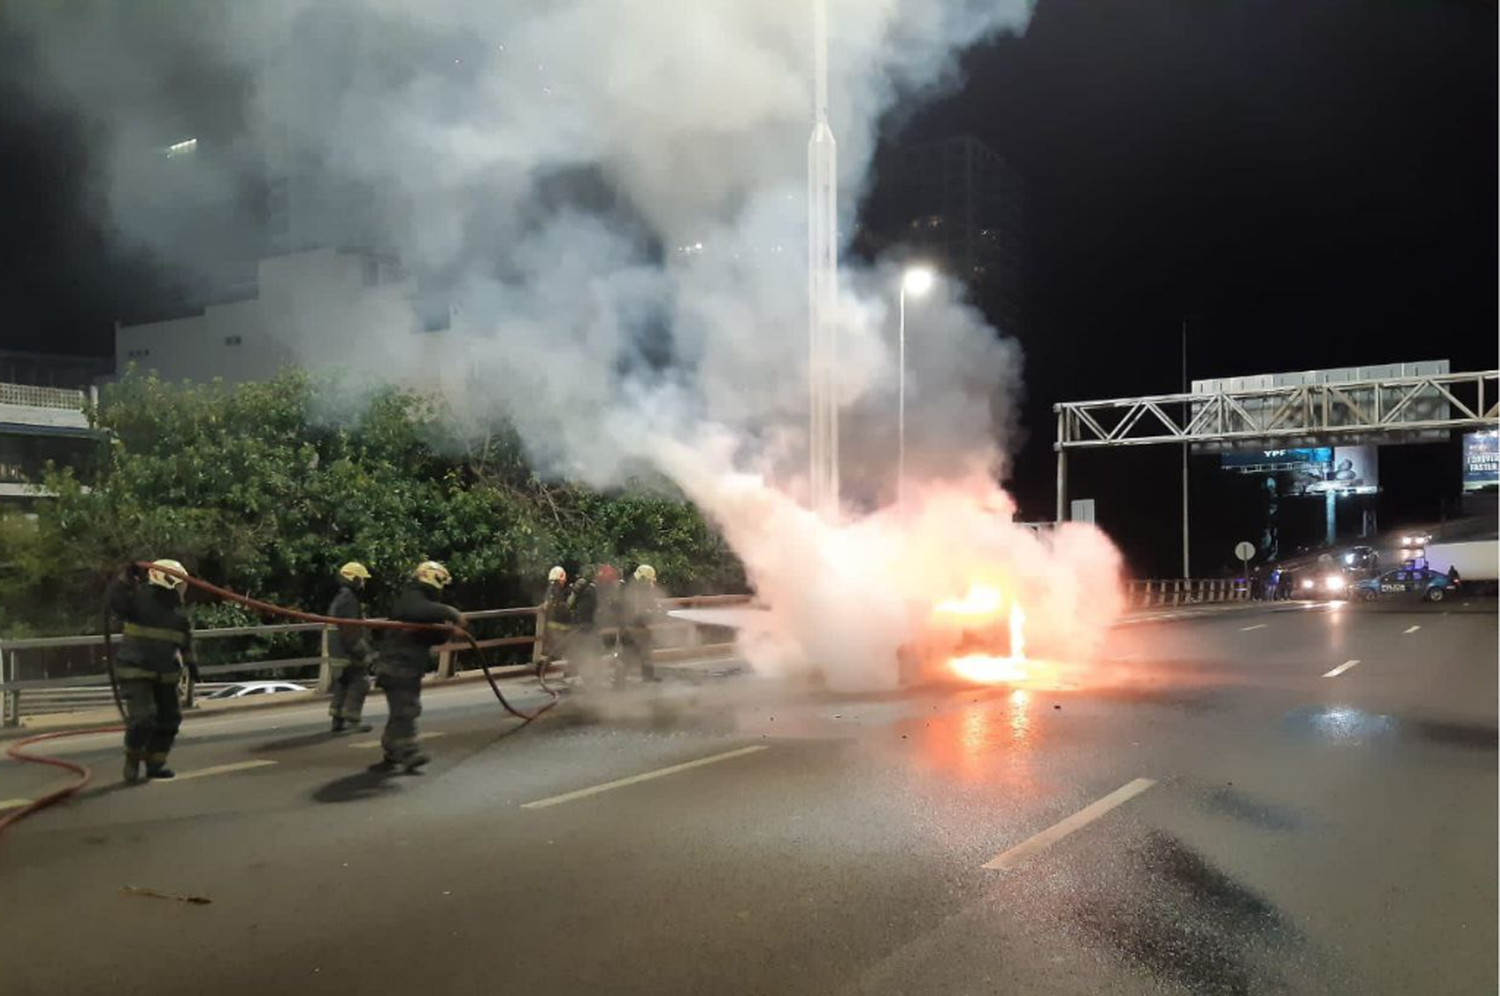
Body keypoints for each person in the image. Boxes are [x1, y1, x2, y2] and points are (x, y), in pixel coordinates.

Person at [107, 558, 199, 783]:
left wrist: (192, 663)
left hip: (165, 674)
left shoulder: (178, 615)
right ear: (169, 581)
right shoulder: (138, 599)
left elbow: (185, 642)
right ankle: (133, 759)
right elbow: (116, 600)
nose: (182, 589)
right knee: (143, 717)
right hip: (136, 671)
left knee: (170, 719)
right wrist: (125, 577)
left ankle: (156, 763)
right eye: (180, 584)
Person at [374, 561, 462, 772]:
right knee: (407, 709)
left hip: (406, 667)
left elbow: (432, 634)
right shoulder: (411, 598)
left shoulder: (424, 606)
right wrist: (452, 613)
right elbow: (417, 611)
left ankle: (391, 748)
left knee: (400, 711)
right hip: (396, 666)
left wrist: (448, 631)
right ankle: (408, 752)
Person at [327, 561, 374, 734]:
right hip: (347, 652)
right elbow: (350, 632)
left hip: (337, 652)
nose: (364, 583)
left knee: (343, 684)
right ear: (354, 579)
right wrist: (364, 652)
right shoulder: (349, 600)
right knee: (360, 683)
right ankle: (352, 719)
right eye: (362, 579)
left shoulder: (340, 597)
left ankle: (337, 720)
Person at [619, 564, 662, 685]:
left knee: (646, 652)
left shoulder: (642, 588)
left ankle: (648, 676)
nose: (650, 583)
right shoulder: (629, 589)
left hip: (640, 626)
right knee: (626, 654)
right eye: (649, 580)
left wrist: (653, 609)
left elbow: (649, 603)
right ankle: (619, 680)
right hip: (630, 627)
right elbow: (628, 610)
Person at [539, 565, 573, 680]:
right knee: (565, 649)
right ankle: (567, 670)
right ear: (561, 577)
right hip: (561, 626)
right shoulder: (558, 589)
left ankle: (543, 669)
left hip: (554, 626)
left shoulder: (552, 588)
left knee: (553, 649)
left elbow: (545, 605)